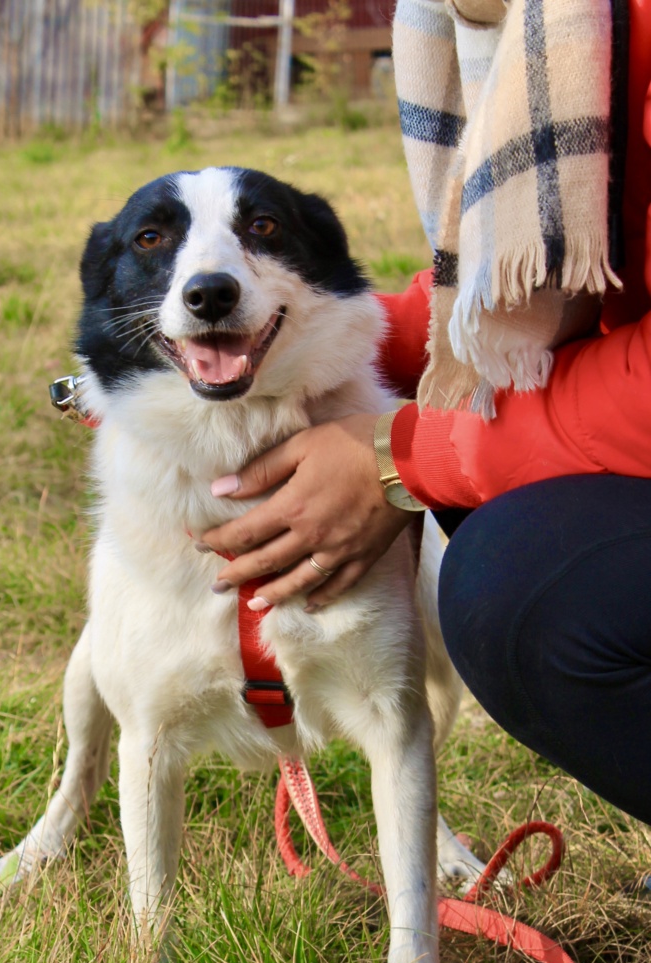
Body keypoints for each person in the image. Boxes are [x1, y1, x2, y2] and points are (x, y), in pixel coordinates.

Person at [199, 0, 651, 825]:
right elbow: (533, 283)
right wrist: (312, 329)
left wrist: (401, 455)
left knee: (524, 592)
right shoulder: (538, 21)